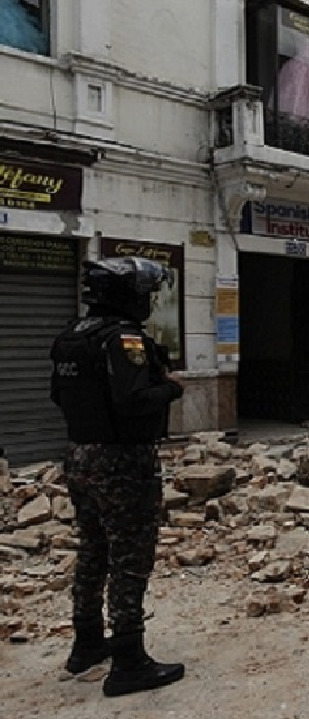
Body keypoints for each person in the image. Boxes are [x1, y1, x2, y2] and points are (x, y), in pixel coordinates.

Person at [50, 257, 186, 697]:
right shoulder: (124, 339)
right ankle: (129, 661)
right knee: (130, 555)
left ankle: (86, 641)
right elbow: (135, 400)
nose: (146, 300)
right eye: (143, 293)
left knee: (94, 548)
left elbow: (58, 395)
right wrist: (172, 387)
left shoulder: (74, 336)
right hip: (123, 461)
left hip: (80, 456)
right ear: (125, 295)